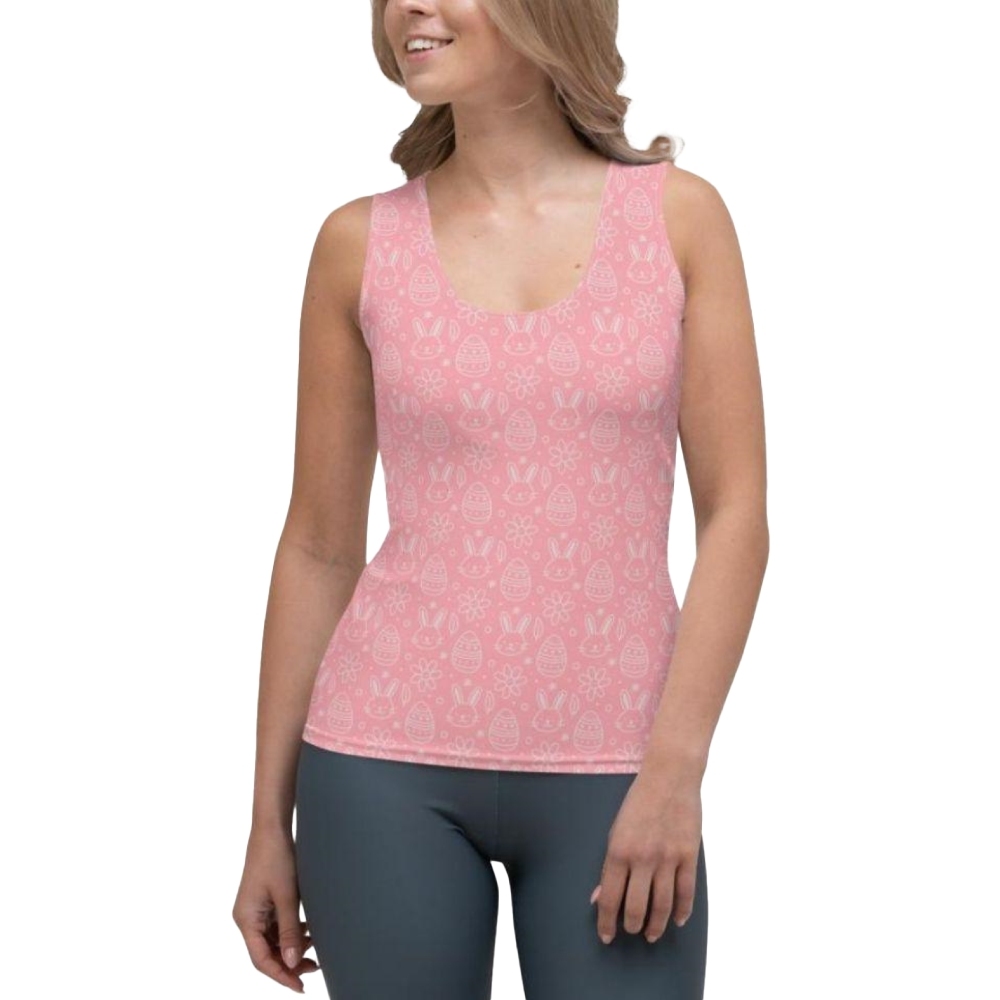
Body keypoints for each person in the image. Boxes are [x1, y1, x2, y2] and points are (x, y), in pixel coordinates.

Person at [232, 0, 768, 997]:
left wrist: (675, 772)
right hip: (377, 767)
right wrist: (268, 819)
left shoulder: (678, 220)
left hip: (620, 770)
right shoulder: (357, 244)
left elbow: (735, 513)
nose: (408, 7)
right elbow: (318, 545)